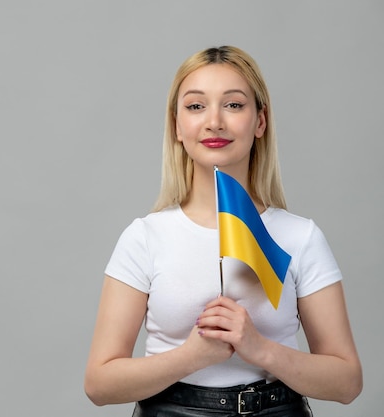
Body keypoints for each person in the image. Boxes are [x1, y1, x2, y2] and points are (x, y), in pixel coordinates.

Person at [84, 46, 362, 416]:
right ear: (177, 126)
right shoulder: (145, 238)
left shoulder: (301, 237)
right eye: (196, 106)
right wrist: (191, 356)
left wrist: (259, 348)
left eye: (233, 105)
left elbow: (347, 383)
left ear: (260, 122)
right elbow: (99, 385)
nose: (214, 121)